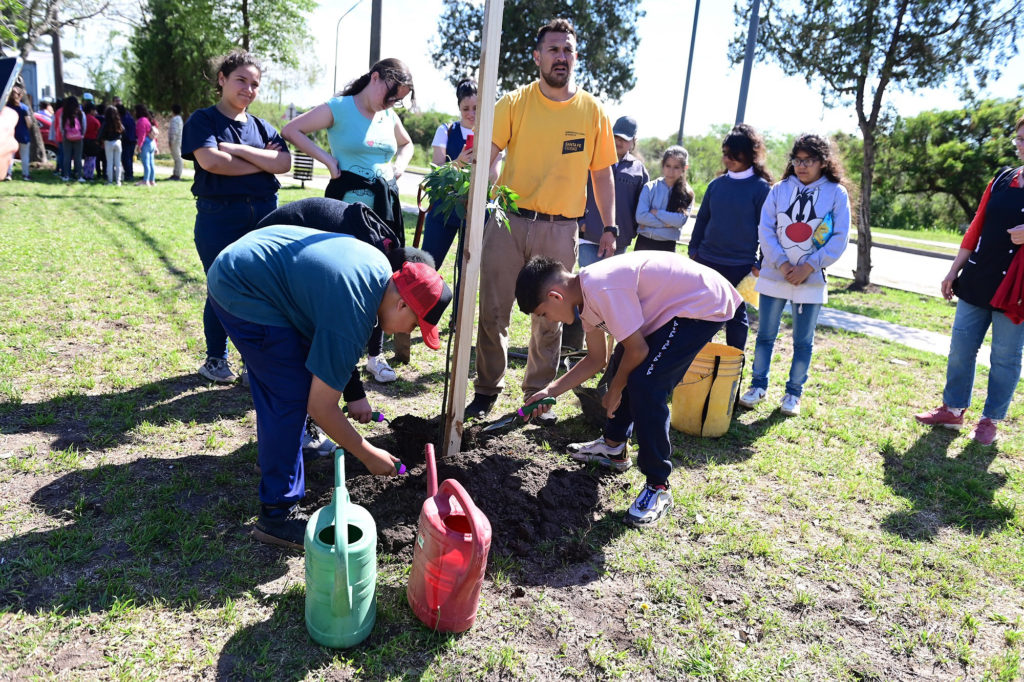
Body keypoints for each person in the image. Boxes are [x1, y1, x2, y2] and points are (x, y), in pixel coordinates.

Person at [207, 225, 452, 548]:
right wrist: (367, 453)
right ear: (402, 306)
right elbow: (319, 406)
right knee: (289, 393)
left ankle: (281, 458)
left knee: (295, 380)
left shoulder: (378, 271)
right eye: (413, 326)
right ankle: (277, 513)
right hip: (241, 285)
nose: (404, 333)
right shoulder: (353, 312)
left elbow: (330, 351)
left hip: (255, 260)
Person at [464, 18, 619, 421]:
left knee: (549, 317)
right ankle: (486, 390)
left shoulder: (593, 111)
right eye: (553, 50)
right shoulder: (514, 103)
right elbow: (488, 153)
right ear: (537, 56)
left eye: (567, 50)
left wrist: (609, 226)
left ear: (576, 57)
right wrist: (470, 175)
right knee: (493, 309)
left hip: (561, 227)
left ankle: (539, 395)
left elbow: (602, 173)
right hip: (508, 221)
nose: (561, 57)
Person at [514, 253, 742, 526]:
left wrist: (616, 390)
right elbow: (597, 359)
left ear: (555, 296)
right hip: (673, 306)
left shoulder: (601, 288)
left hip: (701, 303)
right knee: (624, 362)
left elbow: (639, 349)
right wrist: (551, 390)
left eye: (543, 314)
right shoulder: (586, 297)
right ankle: (613, 447)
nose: (549, 320)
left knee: (646, 384)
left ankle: (659, 486)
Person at [282, 58, 415, 384]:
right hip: (345, 212)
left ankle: (374, 354)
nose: (392, 102)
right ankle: (326, 350)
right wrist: (327, 159)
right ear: (375, 78)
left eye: (398, 99)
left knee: (384, 278)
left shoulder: (388, 115)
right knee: (341, 278)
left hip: (383, 212)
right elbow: (291, 130)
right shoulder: (339, 108)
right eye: (391, 94)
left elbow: (407, 144)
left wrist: (399, 166)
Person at [914, 114, 1024, 446]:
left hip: (1016, 290)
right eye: (1019, 138)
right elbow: (976, 227)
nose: (1022, 145)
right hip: (978, 277)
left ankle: (990, 420)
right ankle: (953, 408)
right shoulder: (1003, 179)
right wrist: (953, 270)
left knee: (1005, 357)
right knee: (961, 347)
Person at [182, 50, 291, 384]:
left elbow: (283, 164)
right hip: (219, 216)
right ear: (222, 79)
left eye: (255, 84)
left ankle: (253, 362)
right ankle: (216, 359)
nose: (248, 89)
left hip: (264, 216)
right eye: (241, 80)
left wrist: (239, 150)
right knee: (221, 286)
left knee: (261, 291)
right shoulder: (203, 120)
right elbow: (212, 162)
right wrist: (261, 164)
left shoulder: (263, 127)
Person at [737, 133, 851, 416]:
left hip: (810, 281)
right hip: (776, 275)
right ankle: (758, 386)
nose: (801, 165)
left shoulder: (836, 193)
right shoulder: (779, 189)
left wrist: (808, 266)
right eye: (797, 160)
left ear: (823, 162)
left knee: (803, 342)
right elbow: (765, 229)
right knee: (765, 335)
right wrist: (784, 264)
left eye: (808, 160)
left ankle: (793, 394)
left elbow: (839, 237)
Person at [562, 114, 649, 349]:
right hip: (589, 236)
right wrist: (580, 218)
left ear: (633, 142)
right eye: (616, 136)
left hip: (618, 243)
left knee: (609, 294)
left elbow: (642, 206)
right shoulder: (595, 159)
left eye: (625, 139)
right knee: (586, 289)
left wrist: (630, 232)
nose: (619, 142)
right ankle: (572, 345)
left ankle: (602, 351)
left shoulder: (639, 170)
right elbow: (576, 186)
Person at [688, 124, 773, 350]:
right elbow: (702, 220)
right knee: (702, 316)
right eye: (725, 154)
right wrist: (693, 250)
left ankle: (734, 368)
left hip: (740, 265)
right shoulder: (716, 186)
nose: (728, 159)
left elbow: (767, 229)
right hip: (706, 260)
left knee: (735, 317)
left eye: (734, 154)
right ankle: (697, 366)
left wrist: (760, 263)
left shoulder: (761, 189)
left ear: (750, 154)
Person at [421, 78, 478, 269]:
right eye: (466, 108)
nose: (471, 113)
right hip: (442, 208)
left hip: (474, 211)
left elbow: (493, 177)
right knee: (427, 266)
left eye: (476, 108)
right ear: (459, 108)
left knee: (466, 273)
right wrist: (458, 162)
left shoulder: (492, 134)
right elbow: (436, 173)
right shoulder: (446, 130)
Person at [634, 146, 693, 252]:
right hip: (644, 243)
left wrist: (656, 213)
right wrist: (668, 224)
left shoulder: (687, 193)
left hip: (667, 246)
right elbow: (641, 217)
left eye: (676, 167)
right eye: (668, 166)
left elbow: (679, 221)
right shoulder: (650, 187)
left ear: (684, 168)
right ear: (663, 165)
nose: (671, 171)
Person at [4, 84, 31, 181]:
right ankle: (25, 175)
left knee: (10, 156)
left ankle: (8, 174)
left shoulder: (6, 107)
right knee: (25, 157)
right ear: (20, 96)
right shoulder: (24, 108)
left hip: (10, 135)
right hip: (23, 135)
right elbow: (29, 123)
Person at [60, 96, 86, 182]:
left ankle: (66, 175)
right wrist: (82, 134)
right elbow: (84, 126)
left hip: (67, 137)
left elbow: (61, 127)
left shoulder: (64, 113)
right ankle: (79, 176)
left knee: (67, 157)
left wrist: (65, 134)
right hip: (78, 137)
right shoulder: (80, 113)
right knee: (78, 158)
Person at [134, 103, 158, 187]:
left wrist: (139, 146)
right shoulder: (147, 120)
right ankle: (152, 181)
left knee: (146, 163)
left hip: (146, 143)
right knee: (151, 163)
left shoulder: (141, 121)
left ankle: (145, 181)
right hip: (152, 143)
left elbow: (142, 135)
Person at [100, 105, 124, 185]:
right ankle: (118, 181)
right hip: (118, 142)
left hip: (109, 142)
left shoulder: (106, 122)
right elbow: (123, 130)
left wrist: (99, 140)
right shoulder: (118, 122)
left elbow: (101, 134)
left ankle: (110, 180)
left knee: (109, 163)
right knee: (118, 163)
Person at [116, 99, 136, 181]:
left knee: (125, 158)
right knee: (129, 158)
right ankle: (130, 173)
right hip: (133, 139)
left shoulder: (122, 120)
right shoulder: (130, 117)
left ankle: (128, 175)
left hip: (126, 140)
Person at [81, 101, 101, 181]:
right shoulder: (95, 120)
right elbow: (98, 129)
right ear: (91, 110)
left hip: (84, 140)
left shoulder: (83, 118)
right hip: (93, 141)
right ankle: (90, 175)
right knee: (92, 159)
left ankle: (85, 173)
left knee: (86, 159)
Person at [168, 103, 184, 180]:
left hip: (175, 141)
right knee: (177, 157)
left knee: (177, 158)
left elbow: (174, 131)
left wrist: (171, 141)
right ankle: (176, 173)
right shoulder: (179, 118)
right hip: (178, 140)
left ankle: (177, 174)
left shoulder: (175, 119)